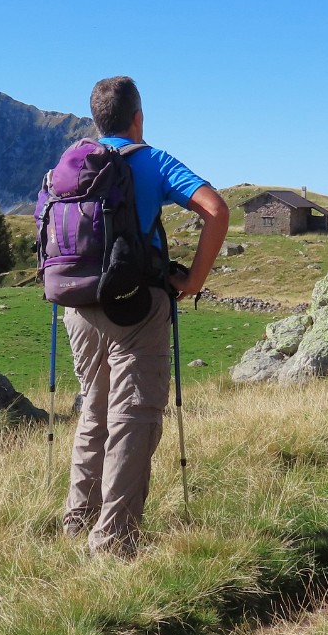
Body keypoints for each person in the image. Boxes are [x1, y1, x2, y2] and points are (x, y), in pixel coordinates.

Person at [61, 76, 229, 557]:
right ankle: (113, 540)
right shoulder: (150, 159)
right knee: (133, 414)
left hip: (77, 304)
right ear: (138, 117)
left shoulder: (72, 163)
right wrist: (193, 281)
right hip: (135, 303)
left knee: (94, 409)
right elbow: (215, 210)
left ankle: (79, 520)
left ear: (98, 118)